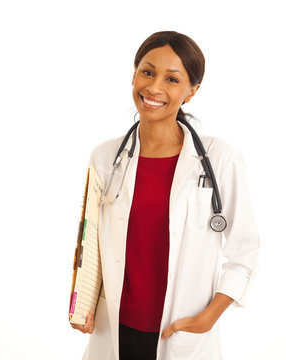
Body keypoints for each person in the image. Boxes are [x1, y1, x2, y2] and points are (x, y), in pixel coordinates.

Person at [70, 30, 260, 360]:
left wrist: (208, 318)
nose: (154, 87)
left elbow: (245, 252)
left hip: (179, 332)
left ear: (191, 91)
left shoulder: (220, 159)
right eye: (147, 71)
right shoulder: (105, 157)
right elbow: (92, 244)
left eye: (172, 79)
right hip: (113, 329)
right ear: (133, 74)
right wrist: (82, 302)